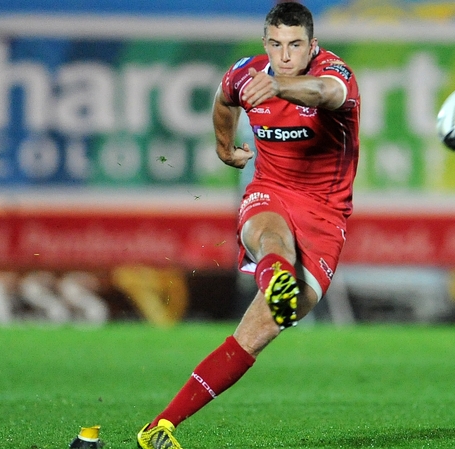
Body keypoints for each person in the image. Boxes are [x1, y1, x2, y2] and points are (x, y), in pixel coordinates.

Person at [137, 2, 361, 448]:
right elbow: (224, 102)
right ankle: (162, 427)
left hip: (324, 217)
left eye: (295, 45)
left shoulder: (337, 75)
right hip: (270, 192)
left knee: (256, 333)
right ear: (265, 44)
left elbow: (322, 93)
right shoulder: (246, 73)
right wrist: (224, 146)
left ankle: (154, 429)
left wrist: (279, 86)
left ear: (312, 46)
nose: (284, 55)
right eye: (276, 45)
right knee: (271, 237)